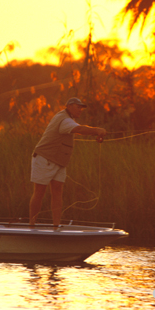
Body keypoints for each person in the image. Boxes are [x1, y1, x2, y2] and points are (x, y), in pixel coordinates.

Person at [29, 97, 106, 227]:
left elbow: (77, 129)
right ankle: (31, 224)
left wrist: (95, 133)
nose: (80, 110)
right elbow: (79, 129)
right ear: (69, 106)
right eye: (78, 107)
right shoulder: (64, 119)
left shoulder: (69, 120)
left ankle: (56, 225)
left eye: (81, 108)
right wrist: (97, 130)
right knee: (40, 191)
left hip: (59, 161)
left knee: (58, 191)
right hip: (44, 158)